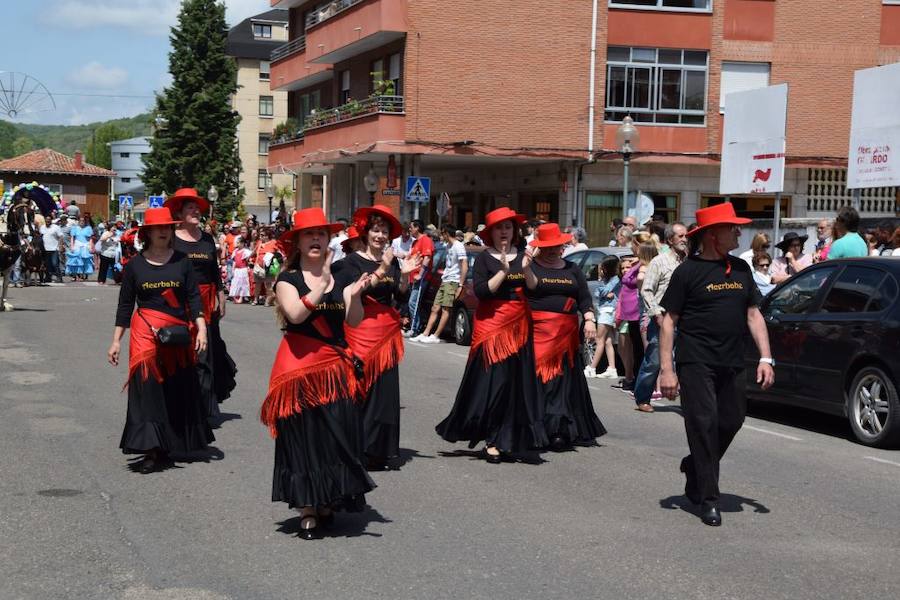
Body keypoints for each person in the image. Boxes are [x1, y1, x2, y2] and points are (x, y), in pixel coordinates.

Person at [658, 202, 774, 527]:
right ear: (712, 235)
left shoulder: (740, 269)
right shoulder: (687, 272)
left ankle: (695, 467)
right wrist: (667, 370)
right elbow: (669, 322)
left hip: (733, 360)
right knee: (703, 424)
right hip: (696, 361)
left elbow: (754, 314)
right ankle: (709, 498)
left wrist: (766, 357)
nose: (739, 231)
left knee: (732, 420)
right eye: (732, 227)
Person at [262, 208, 375, 540]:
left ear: (328, 241)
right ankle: (308, 507)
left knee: (335, 434)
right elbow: (295, 315)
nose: (316, 239)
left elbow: (353, 322)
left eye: (321, 234)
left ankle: (327, 496)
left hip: (334, 368)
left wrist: (352, 296)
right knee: (304, 438)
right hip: (297, 370)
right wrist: (322, 284)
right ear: (297, 241)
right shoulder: (288, 279)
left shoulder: (341, 277)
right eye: (309, 234)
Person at [436, 207, 548, 463]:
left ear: (514, 230)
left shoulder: (523, 255)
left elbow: (533, 288)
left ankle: (504, 439)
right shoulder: (486, 258)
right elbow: (482, 291)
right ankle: (490, 438)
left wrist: (528, 268)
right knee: (493, 384)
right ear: (491, 233)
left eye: (508, 227)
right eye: (499, 228)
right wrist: (503, 270)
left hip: (518, 327)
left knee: (514, 386)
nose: (504, 232)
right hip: (492, 328)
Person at [107, 207, 213, 474]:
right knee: (147, 389)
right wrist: (116, 341)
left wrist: (201, 329)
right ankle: (152, 450)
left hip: (177, 334)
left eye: (167, 226)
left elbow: (193, 298)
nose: (164, 231)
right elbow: (125, 305)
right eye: (158, 227)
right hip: (145, 333)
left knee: (174, 387)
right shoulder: (135, 265)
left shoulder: (182, 261)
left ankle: (169, 442)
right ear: (148, 232)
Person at [342, 205, 419, 470]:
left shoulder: (393, 261)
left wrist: (405, 276)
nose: (380, 235)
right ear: (366, 232)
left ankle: (378, 450)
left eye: (385, 231)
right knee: (360, 392)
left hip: (387, 336)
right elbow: (357, 293)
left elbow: (399, 296)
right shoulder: (350, 263)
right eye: (376, 229)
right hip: (360, 333)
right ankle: (356, 447)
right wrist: (383, 268)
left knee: (384, 395)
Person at [523, 223, 606, 451]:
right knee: (540, 382)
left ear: (562, 246)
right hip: (538, 334)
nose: (552, 251)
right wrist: (527, 267)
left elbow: (584, 298)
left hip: (566, 337)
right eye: (547, 247)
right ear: (540, 247)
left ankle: (559, 429)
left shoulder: (572, 269)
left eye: (555, 247)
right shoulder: (531, 268)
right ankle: (536, 430)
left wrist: (589, 319)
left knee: (561, 383)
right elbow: (527, 288)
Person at [166, 188, 237, 424]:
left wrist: (221, 294)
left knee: (207, 354)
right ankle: (182, 404)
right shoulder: (171, 238)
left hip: (207, 302)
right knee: (185, 354)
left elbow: (214, 271)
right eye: (190, 208)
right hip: (181, 302)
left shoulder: (207, 239)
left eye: (198, 208)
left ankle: (205, 409)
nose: (196, 211)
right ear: (179, 212)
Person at [633, 223, 688, 413]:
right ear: (670, 240)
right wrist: (656, 312)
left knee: (685, 360)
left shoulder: (689, 263)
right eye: (680, 236)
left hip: (686, 319)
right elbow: (646, 290)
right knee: (654, 360)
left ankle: (687, 400)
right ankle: (642, 398)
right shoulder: (659, 262)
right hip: (662, 318)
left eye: (685, 236)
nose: (684, 239)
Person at [412, 224, 468, 344]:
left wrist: (460, 284)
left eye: (443, 234)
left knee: (445, 309)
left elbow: (464, 265)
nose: (442, 237)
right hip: (445, 279)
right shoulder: (448, 246)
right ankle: (426, 333)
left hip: (453, 281)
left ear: (447, 233)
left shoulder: (459, 246)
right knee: (435, 307)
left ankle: (436, 335)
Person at [586, 255, 621, 380]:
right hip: (605, 310)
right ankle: (612, 368)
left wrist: (604, 293)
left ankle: (592, 368)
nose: (600, 270)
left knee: (599, 339)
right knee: (608, 341)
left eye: (602, 268)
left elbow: (603, 292)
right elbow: (598, 293)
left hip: (608, 311)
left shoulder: (615, 280)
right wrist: (603, 293)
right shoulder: (607, 280)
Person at [404, 220, 434, 337]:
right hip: (412, 277)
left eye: (411, 227)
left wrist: (421, 274)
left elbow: (427, 258)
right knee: (414, 303)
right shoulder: (414, 242)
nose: (409, 230)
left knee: (413, 303)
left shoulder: (425, 240)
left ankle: (414, 329)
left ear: (417, 228)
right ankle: (416, 326)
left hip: (420, 278)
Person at [252, 227, 280, 306]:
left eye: (262, 235)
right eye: (260, 235)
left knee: (268, 284)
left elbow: (279, 252)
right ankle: (255, 299)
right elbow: (254, 251)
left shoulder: (273, 242)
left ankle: (268, 300)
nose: (260, 237)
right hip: (258, 266)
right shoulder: (259, 243)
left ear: (267, 236)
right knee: (257, 284)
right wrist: (249, 258)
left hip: (269, 266)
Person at [66, 214, 95, 281]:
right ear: (78, 221)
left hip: (85, 245)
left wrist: (90, 246)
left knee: (86, 260)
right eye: (80, 221)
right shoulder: (74, 228)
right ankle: (76, 275)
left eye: (83, 221)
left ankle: (84, 275)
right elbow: (72, 238)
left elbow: (90, 238)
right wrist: (72, 246)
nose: (82, 222)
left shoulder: (88, 228)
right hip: (77, 245)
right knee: (76, 260)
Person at [40, 217, 64, 283]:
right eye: (46, 219)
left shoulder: (56, 227)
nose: (47, 221)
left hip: (54, 248)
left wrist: (61, 246)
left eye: (49, 220)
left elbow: (61, 236)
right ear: (45, 220)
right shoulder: (42, 227)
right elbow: (40, 236)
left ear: (51, 220)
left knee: (55, 263)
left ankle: (59, 277)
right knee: (47, 265)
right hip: (45, 249)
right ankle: (48, 277)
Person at [229, 237, 252, 302]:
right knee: (235, 283)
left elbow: (249, 259)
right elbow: (234, 261)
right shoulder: (235, 251)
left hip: (243, 269)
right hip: (237, 269)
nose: (237, 244)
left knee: (243, 283)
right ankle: (235, 295)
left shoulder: (245, 251)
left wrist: (248, 266)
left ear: (242, 243)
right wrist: (233, 269)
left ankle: (241, 297)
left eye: (238, 243)